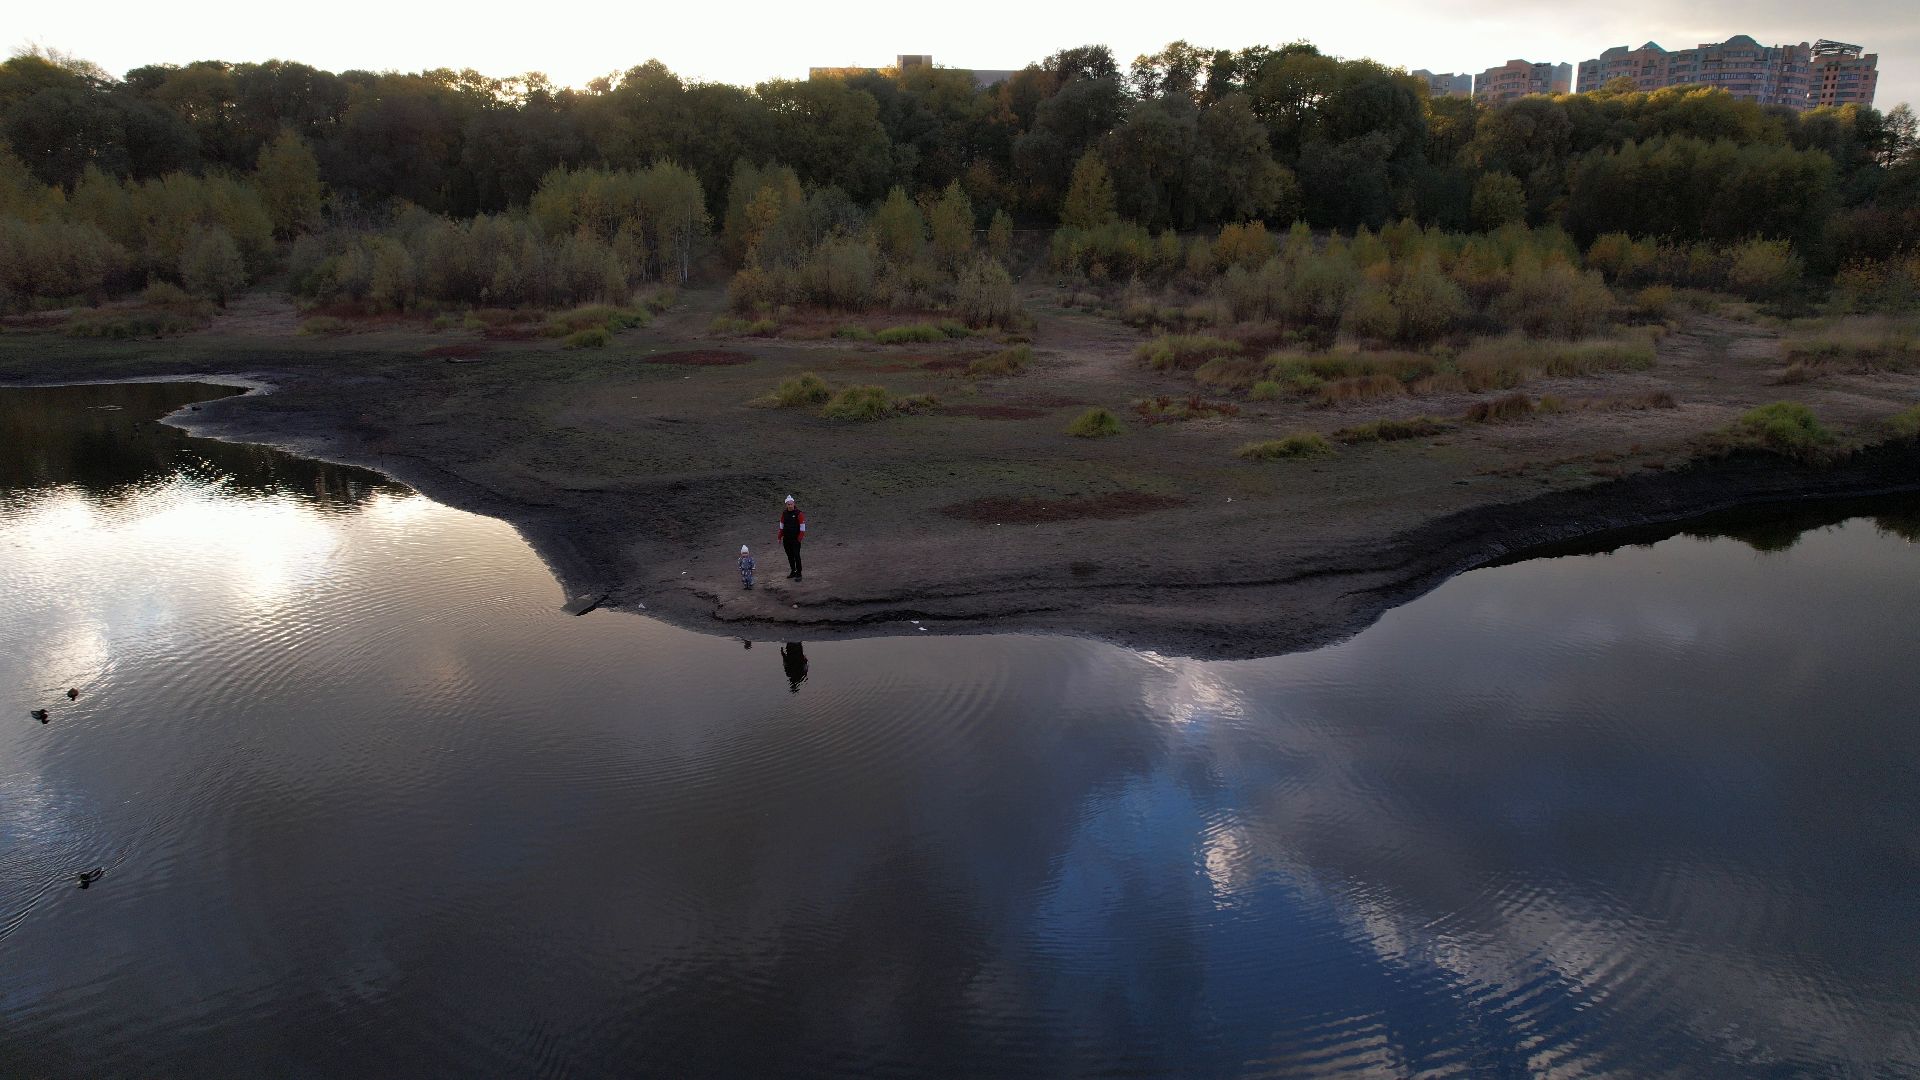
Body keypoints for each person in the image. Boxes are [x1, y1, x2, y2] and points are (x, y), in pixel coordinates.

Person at [776, 495, 807, 581]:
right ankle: (793, 571)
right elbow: (781, 526)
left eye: (791, 504)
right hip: (786, 539)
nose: (790, 505)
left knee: (796, 555)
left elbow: (802, 528)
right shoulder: (784, 513)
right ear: (786, 505)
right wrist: (779, 537)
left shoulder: (799, 513)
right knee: (790, 556)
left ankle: (799, 573)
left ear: (794, 504)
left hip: (795, 539)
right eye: (788, 504)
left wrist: (799, 539)